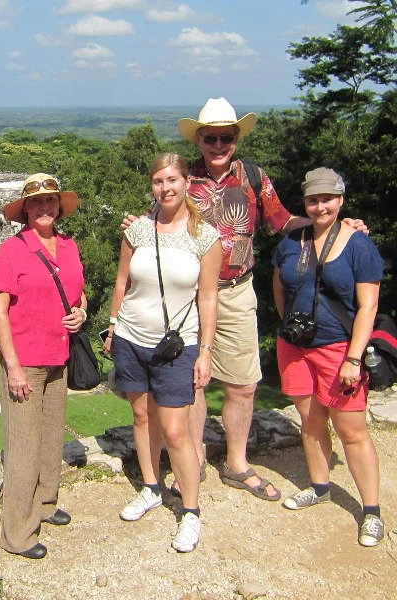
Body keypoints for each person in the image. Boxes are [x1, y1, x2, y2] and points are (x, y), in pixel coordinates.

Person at [123, 98, 366, 501]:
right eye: (210, 137)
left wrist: (331, 223)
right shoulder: (185, 180)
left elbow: (283, 221)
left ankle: (236, 461)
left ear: (236, 138)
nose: (219, 144)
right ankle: (194, 457)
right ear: (199, 140)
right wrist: (134, 223)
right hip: (187, 298)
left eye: (226, 137)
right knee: (191, 384)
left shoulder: (253, 177)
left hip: (235, 291)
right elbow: (158, 221)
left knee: (242, 384)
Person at [104, 153, 221, 552]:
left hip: (177, 344)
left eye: (172, 180)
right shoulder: (137, 229)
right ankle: (152, 486)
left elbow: (208, 297)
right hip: (132, 335)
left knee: (176, 430)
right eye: (157, 181)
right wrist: (112, 325)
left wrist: (206, 351)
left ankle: (191, 511)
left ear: (188, 182)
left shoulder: (205, 237)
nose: (165, 188)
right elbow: (121, 282)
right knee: (141, 415)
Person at [273, 167, 384, 547]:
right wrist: (290, 325)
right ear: (304, 202)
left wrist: (353, 358)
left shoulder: (358, 244)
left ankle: (371, 510)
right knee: (311, 421)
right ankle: (320, 486)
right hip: (295, 346)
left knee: (352, 432)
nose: (320, 206)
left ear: (340, 201)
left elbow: (368, 307)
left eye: (327, 199)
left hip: (339, 349)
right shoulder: (292, 240)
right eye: (313, 199)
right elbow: (279, 286)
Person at [0, 172, 87, 560]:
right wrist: (12, 368)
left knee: (50, 438)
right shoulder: (10, 251)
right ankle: (16, 533)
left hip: (58, 356)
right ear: (24, 210)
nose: (44, 207)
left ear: (59, 207)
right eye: (36, 202)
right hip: (24, 361)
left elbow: (79, 296)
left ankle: (45, 503)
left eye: (51, 201)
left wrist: (80, 312)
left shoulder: (69, 246)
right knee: (24, 446)